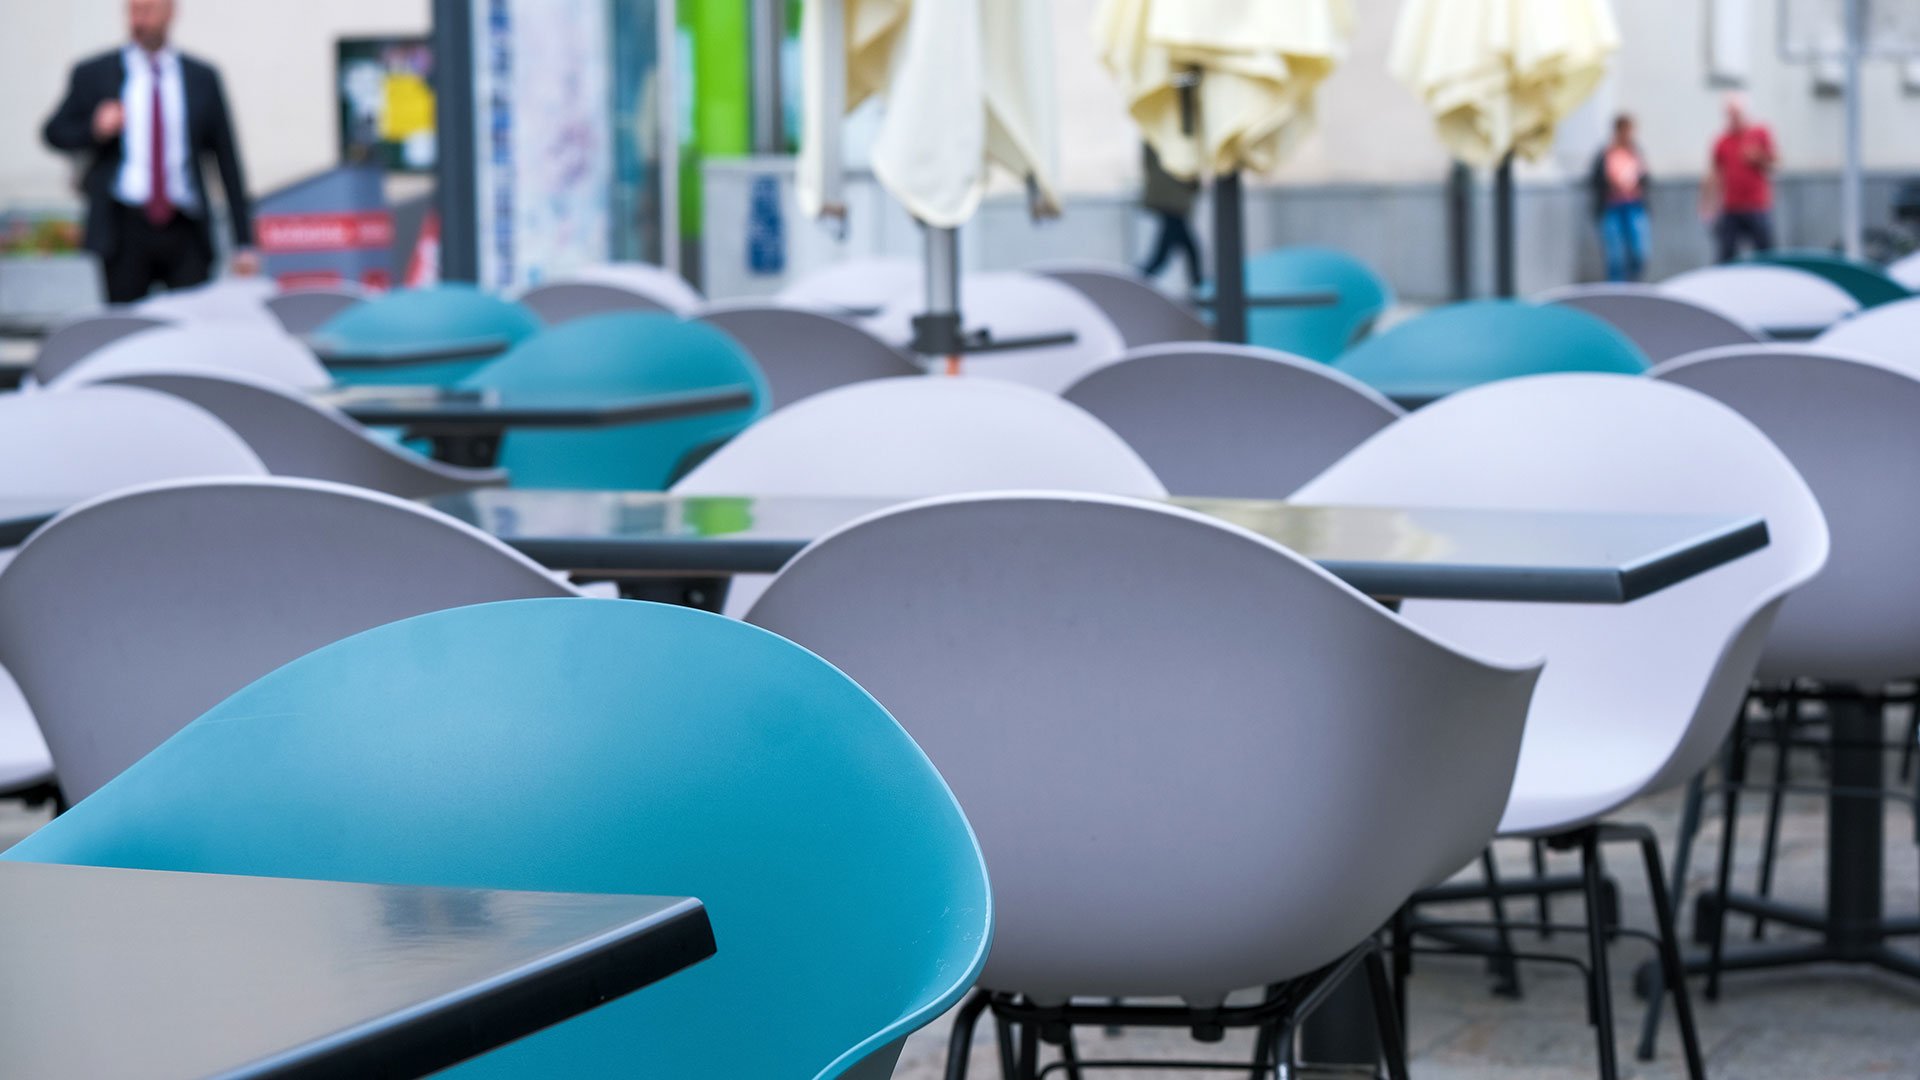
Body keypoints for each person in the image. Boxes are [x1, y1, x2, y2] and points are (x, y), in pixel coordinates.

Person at [42, 0, 257, 304]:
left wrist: (244, 243)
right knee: (126, 333)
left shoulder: (201, 78)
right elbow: (54, 133)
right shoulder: (96, 73)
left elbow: (227, 160)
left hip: (185, 227)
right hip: (124, 228)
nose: (139, 20)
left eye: (148, 10)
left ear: (170, 11)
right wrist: (95, 128)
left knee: (193, 329)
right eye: (133, 10)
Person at [1702, 93, 1778, 264]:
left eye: (1736, 113)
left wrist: (1758, 158)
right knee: (1725, 254)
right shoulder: (1722, 140)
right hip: (1731, 207)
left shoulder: (1760, 133)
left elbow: (1775, 164)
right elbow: (1714, 173)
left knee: (1766, 253)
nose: (1733, 118)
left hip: (1757, 205)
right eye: (1730, 114)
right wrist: (1707, 204)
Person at [1590, 113, 1651, 282]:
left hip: (1634, 206)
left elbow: (1646, 179)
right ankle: (1616, 290)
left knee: (1639, 252)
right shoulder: (1606, 154)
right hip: (1612, 208)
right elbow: (1596, 180)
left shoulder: (1635, 153)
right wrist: (1611, 183)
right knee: (1615, 257)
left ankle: (1635, 286)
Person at [1137, 144, 1205, 288]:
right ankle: (1200, 287)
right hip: (1172, 200)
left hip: (1169, 198)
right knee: (1177, 251)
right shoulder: (1171, 141)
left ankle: (1199, 286)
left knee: (1181, 249)